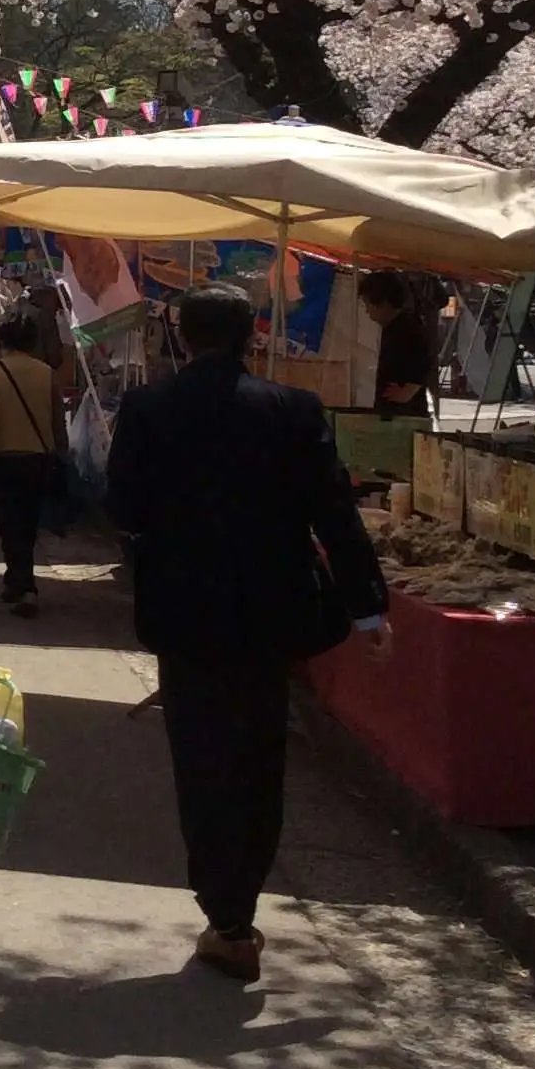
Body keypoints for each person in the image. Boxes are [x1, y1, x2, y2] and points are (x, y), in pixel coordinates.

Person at [104, 282, 389, 984]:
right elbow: (334, 515)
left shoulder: (148, 408)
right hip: (270, 612)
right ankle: (241, 908)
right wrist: (367, 607)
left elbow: (122, 506)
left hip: (183, 613)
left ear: (184, 334)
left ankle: (222, 913)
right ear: (251, 334)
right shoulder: (292, 410)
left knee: (199, 758)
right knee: (260, 760)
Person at [0, 308, 67, 612]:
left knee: (9, 523)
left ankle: (23, 584)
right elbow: (59, 423)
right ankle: (18, 580)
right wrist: (61, 455)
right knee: (29, 525)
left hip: (3, 459)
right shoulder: (47, 373)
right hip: (39, 459)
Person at [360, 270, 435, 419]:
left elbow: (424, 362)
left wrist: (409, 390)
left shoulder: (407, 328)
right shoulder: (393, 328)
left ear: (383, 303)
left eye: (368, 304)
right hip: (393, 411)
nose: (367, 311)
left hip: (405, 414)